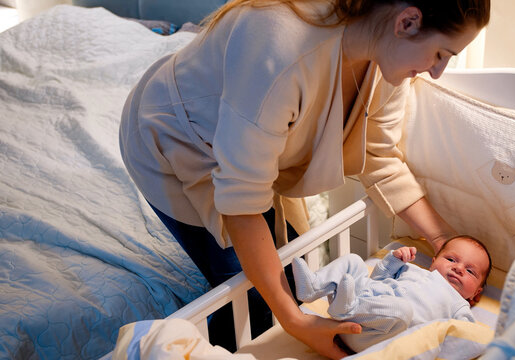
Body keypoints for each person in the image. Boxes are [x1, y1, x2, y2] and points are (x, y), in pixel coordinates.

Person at [118, 0, 490, 357]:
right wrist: (294, 320)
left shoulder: (388, 58)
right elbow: (242, 202)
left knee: (293, 273)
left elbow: (378, 157)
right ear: (407, 22)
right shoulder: (281, 49)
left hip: (250, 147)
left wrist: (444, 242)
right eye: (441, 54)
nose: (437, 72)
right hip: (179, 143)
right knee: (256, 297)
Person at [292, 236, 492, 352]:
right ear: (433, 261)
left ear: (476, 292)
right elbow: (377, 279)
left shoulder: (459, 305)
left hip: (373, 337)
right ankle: (314, 286)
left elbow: (466, 339)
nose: (458, 269)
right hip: (355, 309)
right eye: (451, 259)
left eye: (470, 271)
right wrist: (394, 260)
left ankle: (349, 307)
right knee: (353, 260)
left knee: (402, 311)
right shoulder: (412, 269)